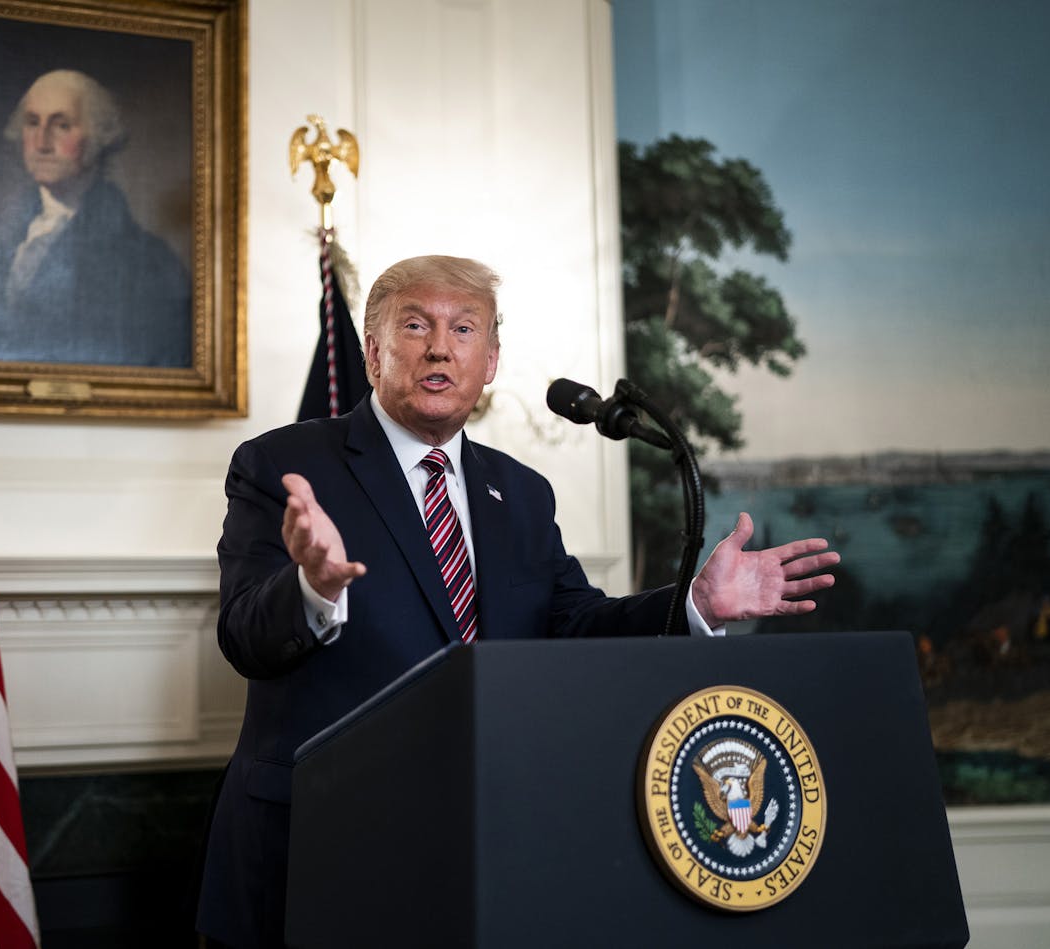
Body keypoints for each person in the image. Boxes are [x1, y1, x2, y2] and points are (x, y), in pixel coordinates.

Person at [195, 255, 839, 948]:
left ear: (491, 358)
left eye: (464, 328)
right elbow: (242, 636)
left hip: (480, 846)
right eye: (416, 325)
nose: (441, 346)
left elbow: (574, 627)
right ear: (374, 353)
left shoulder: (522, 493)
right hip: (320, 846)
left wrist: (692, 605)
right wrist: (311, 588)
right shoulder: (282, 466)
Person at [0, 69, 192, 367]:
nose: (42, 142)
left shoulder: (149, 263)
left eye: (62, 125)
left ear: (98, 137)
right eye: (32, 123)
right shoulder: (0, 250)